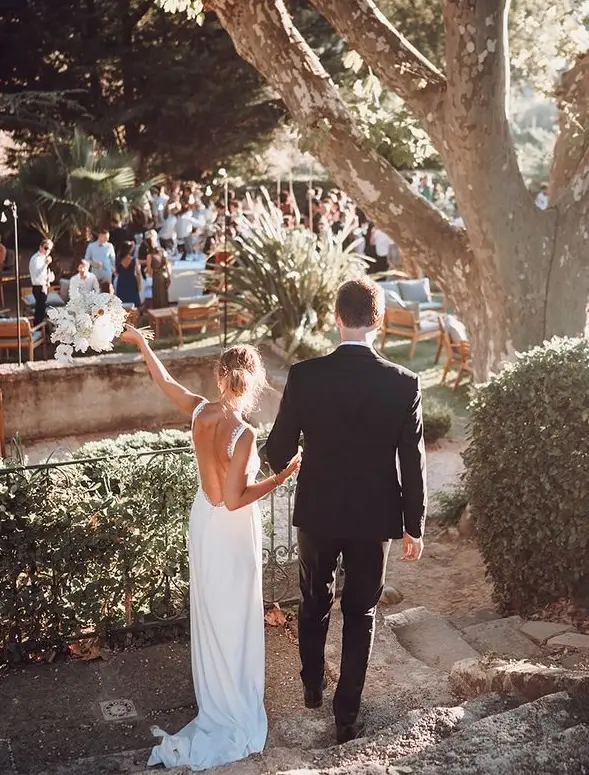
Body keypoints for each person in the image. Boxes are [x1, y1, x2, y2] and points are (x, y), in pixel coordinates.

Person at [118, 331, 301, 770]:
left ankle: (214, 698)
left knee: (212, 612)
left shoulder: (200, 410)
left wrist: (143, 345)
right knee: (234, 615)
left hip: (204, 522)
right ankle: (232, 705)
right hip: (231, 528)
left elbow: (166, 383)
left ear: (220, 376)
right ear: (253, 382)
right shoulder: (244, 433)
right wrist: (283, 476)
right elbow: (236, 499)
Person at [266, 277, 426, 745]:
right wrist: (413, 526)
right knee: (362, 612)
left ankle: (313, 685)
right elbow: (412, 462)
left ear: (336, 318)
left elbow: (277, 447)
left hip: (317, 508)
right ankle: (347, 716)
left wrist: (293, 468)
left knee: (314, 599)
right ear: (379, 321)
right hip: (374, 517)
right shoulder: (404, 383)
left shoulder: (304, 375)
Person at [29, 239, 54, 325]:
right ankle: (38, 328)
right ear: (40, 247)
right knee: (40, 310)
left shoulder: (44, 258)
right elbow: (37, 273)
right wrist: (46, 264)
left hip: (44, 285)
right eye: (45, 248)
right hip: (38, 286)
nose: (47, 251)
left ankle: (40, 328)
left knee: (41, 309)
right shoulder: (36, 259)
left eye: (49, 249)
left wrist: (50, 277)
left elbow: (44, 274)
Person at [145, 232, 171, 309]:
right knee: (164, 296)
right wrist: (169, 276)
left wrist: (147, 271)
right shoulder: (163, 251)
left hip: (156, 277)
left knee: (157, 296)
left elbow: (149, 271)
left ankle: (158, 314)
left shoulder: (149, 255)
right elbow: (167, 265)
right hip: (164, 275)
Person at [115, 241, 142, 308]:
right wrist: (139, 285)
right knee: (134, 305)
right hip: (132, 282)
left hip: (121, 283)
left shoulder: (118, 260)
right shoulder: (134, 260)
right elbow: (138, 274)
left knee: (122, 305)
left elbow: (116, 272)